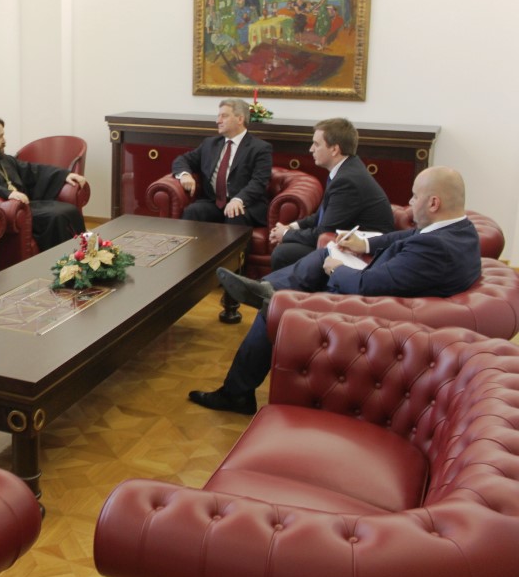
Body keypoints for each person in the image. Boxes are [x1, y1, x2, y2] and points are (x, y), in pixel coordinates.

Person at [189, 166, 481, 415]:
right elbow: (409, 236)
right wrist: (364, 244)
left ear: (433, 203)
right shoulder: (458, 230)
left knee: (277, 305)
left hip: (371, 310)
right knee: (321, 257)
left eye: (415, 196)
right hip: (386, 295)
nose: (409, 201)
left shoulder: (435, 247)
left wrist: (336, 269)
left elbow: (367, 286)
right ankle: (268, 289)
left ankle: (236, 392)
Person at [268, 118, 393, 270]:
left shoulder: (347, 181)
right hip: (343, 241)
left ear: (334, 149)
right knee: (287, 246)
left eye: (316, 144)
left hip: (366, 254)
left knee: (284, 253)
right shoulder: (345, 170)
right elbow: (321, 216)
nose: (311, 149)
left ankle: (271, 285)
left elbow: (324, 232)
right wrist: (291, 227)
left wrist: (285, 234)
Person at [0, 114, 87, 252]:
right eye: (0, 137)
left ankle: (85, 253)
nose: (4, 141)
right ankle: (64, 258)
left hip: (26, 206)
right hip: (9, 211)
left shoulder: (4, 159)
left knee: (70, 210)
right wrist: (7, 193)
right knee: (57, 216)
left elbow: (33, 170)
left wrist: (64, 175)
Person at [170, 98, 273, 227]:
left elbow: (259, 182)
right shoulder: (210, 144)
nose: (218, 121)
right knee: (193, 211)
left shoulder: (260, 148)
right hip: (214, 202)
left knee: (235, 213)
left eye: (224, 116)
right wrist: (184, 174)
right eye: (218, 116)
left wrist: (238, 200)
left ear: (240, 119)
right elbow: (182, 159)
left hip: (246, 204)